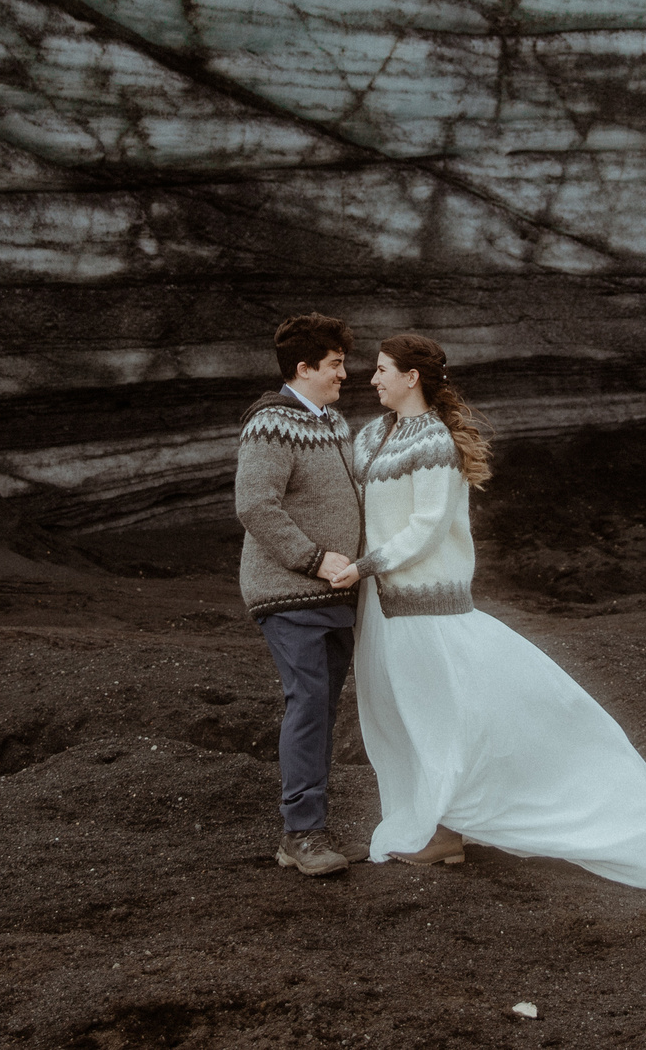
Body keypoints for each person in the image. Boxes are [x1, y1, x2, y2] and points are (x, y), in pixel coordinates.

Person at [333, 332, 646, 895]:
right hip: (381, 604)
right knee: (400, 716)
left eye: (382, 370)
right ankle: (437, 826)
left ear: (412, 378)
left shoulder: (434, 443)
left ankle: (460, 822)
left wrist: (366, 563)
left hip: (427, 607)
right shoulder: (371, 435)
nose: (372, 379)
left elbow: (427, 527)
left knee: (440, 716)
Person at [234, 311, 365, 877]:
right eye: (336, 364)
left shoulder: (333, 423)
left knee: (324, 707)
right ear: (305, 367)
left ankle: (308, 829)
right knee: (309, 704)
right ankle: (302, 834)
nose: (345, 374)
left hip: (335, 594)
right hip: (289, 593)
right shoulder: (270, 424)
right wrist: (314, 559)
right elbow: (256, 504)